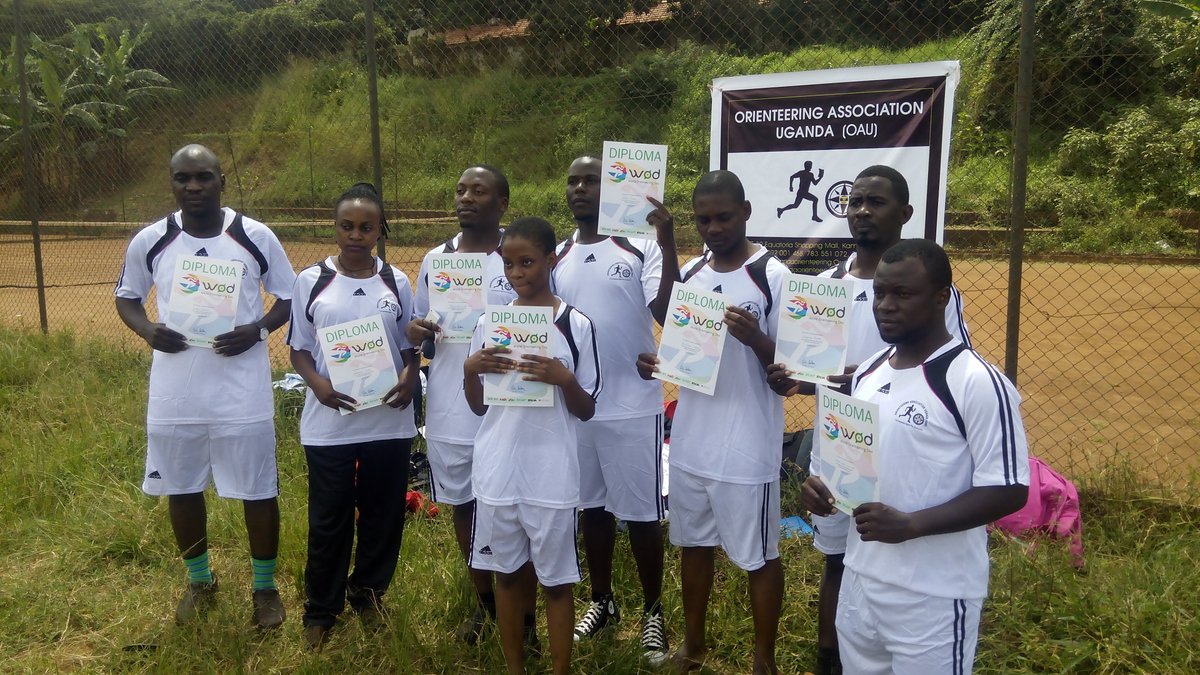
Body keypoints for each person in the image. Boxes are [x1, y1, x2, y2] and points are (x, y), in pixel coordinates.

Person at [766, 164, 971, 675]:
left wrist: (871, 376)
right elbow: (806, 376)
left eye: (875, 202)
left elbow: (947, 364)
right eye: (855, 202)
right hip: (840, 443)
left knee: (892, 547)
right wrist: (791, 378)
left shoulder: (933, 293)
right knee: (838, 560)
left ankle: (909, 646)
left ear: (904, 214)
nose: (861, 211)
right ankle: (830, 659)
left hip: (905, 446)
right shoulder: (824, 287)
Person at [799, 239, 1029, 674]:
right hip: (861, 580)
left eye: (903, 294)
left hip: (934, 596)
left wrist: (912, 525)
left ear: (941, 297)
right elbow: (849, 460)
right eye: (881, 293)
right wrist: (821, 488)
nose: (886, 305)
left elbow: (1009, 489)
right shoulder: (866, 373)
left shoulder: (976, 382)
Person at [114, 144, 295, 629]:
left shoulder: (254, 235)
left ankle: (264, 588)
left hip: (241, 387)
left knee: (258, 488)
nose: (192, 186)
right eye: (182, 178)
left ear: (221, 181)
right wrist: (150, 331)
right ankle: (199, 581)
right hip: (177, 390)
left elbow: (289, 297)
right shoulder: (151, 239)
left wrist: (256, 330)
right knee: (182, 484)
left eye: (203, 177)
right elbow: (127, 297)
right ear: (171, 183)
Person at [636, 170, 789, 675]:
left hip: (747, 445)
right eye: (704, 219)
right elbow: (669, 319)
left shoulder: (774, 276)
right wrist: (659, 363)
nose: (714, 227)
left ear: (745, 211)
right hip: (693, 443)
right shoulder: (696, 273)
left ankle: (762, 659)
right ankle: (693, 646)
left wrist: (759, 341)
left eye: (724, 216)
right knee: (693, 544)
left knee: (759, 556)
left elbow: (794, 371)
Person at [550, 155, 678, 661]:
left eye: (592, 180)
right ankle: (602, 601)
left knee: (642, 515)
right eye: (573, 180)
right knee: (592, 510)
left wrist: (667, 244)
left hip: (632, 403)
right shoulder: (556, 255)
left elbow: (665, 312)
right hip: (578, 407)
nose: (580, 188)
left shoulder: (639, 245)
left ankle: (653, 612)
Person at [463, 216, 601, 675]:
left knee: (557, 583)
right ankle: (515, 666)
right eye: (508, 263)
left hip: (551, 474)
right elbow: (480, 407)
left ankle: (560, 668)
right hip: (499, 471)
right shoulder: (490, 323)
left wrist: (564, 380)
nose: (517, 273)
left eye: (527, 262)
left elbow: (586, 409)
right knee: (507, 575)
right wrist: (469, 369)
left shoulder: (575, 326)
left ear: (551, 257)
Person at [405, 166, 536, 645]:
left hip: (515, 407)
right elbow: (427, 338)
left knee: (515, 509)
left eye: (479, 191)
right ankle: (485, 604)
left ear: (502, 202)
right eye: (460, 190)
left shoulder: (519, 255)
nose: (466, 198)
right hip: (449, 407)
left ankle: (525, 617)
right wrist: (418, 333)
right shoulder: (435, 259)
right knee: (463, 505)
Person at [286, 183, 419, 649]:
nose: (356, 235)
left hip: (388, 422)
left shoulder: (397, 281)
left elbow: (409, 346)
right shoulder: (311, 281)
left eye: (366, 227)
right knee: (329, 520)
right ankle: (320, 611)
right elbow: (299, 350)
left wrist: (410, 375)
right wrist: (318, 384)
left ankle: (368, 594)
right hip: (330, 426)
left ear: (379, 230)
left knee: (384, 516)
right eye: (348, 226)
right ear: (335, 227)